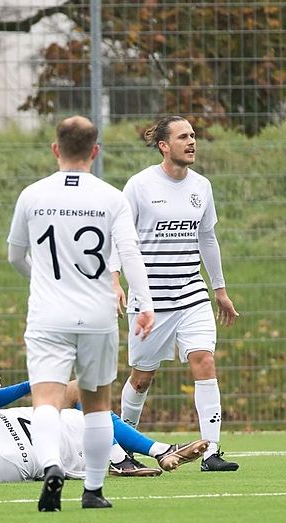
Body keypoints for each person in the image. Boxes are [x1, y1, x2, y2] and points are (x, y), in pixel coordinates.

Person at [7, 115, 155, 510]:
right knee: (96, 404)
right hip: (97, 315)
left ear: (56, 149)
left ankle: (52, 465)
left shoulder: (33, 194)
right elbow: (130, 254)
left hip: (47, 315)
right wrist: (144, 303)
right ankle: (92, 490)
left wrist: (41, 280)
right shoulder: (111, 197)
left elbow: (14, 255)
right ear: (95, 151)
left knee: (46, 399)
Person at [112, 116, 240, 472]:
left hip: (191, 294)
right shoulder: (139, 186)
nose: (192, 142)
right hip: (150, 301)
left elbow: (207, 238)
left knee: (204, 360)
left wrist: (220, 290)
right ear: (164, 146)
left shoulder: (202, 186)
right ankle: (124, 443)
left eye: (194, 136)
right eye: (183, 137)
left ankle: (211, 451)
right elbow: (118, 235)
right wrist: (115, 280)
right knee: (142, 377)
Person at [0, 359, 208, 483]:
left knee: (81, 394)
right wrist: (33, 382)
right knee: (87, 412)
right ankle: (129, 455)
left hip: (36, 437)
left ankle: (152, 451)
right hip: (54, 449)